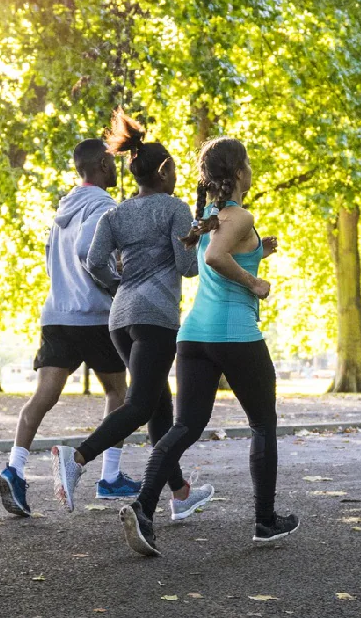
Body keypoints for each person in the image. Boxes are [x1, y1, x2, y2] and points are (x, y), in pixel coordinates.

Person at [119, 137, 298, 557]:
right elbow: (218, 259)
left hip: (194, 336)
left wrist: (258, 254)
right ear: (237, 172)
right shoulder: (236, 215)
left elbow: (217, 260)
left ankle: (143, 509)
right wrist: (255, 282)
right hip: (235, 336)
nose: (251, 172)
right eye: (248, 165)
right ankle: (266, 521)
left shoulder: (210, 218)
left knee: (185, 427)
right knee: (262, 425)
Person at [51, 109, 214, 519]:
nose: (177, 178)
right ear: (161, 173)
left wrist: (117, 283)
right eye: (174, 171)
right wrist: (193, 238)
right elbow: (187, 268)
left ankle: (180, 494)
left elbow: (93, 261)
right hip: (155, 317)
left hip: (120, 319)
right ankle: (79, 457)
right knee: (141, 404)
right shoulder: (174, 208)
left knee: (159, 409)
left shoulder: (116, 212)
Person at [0, 139, 135, 517]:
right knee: (119, 393)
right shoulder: (104, 205)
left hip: (57, 313)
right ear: (104, 165)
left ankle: (15, 469)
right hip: (94, 315)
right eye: (113, 163)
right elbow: (89, 251)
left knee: (43, 397)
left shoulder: (64, 210)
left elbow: (51, 261)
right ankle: (110, 476)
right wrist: (112, 283)